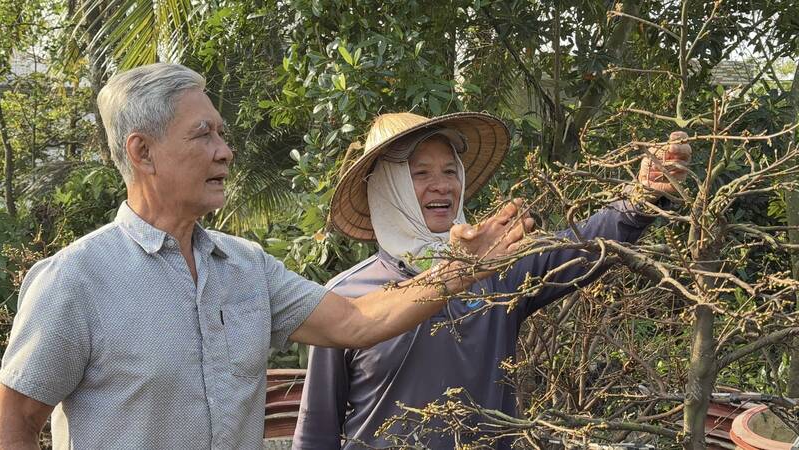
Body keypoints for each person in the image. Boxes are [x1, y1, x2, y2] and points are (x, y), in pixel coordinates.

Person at [0, 64, 533, 450]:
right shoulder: (76, 280)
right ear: (142, 152)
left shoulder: (247, 267)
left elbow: (355, 319)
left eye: (222, 134)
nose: (224, 150)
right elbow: (15, 421)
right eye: (202, 134)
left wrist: (466, 267)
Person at [292, 112, 692, 449]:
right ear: (388, 188)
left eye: (450, 171)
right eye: (421, 173)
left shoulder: (497, 272)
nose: (442, 184)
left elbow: (580, 247)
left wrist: (641, 199)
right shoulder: (348, 298)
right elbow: (317, 429)